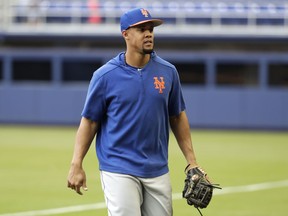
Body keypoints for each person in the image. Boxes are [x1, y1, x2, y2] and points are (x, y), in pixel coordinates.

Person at [67, 8, 202, 216]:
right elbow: (90, 122)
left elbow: (177, 116)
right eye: (141, 29)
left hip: (157, 168)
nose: (148, 33)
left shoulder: (168, 72)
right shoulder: (105, 76)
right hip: (118, 167)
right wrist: (77, 163)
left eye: (151, 29)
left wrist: (192, 161)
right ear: (126, 34)